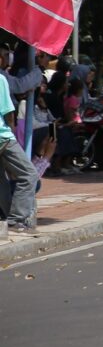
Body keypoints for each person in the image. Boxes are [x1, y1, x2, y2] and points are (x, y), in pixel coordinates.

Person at [0, 72, 38, 231]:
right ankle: (16, 219)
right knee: (29, 174)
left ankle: (6, 216)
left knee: (1, 181)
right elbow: (8, 112)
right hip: (3, 137)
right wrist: (13, 133)